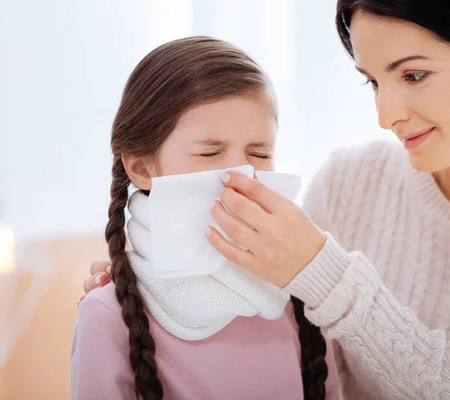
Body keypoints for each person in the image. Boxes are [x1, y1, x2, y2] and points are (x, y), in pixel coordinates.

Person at [84, 0, 450, 398]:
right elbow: (254, 294)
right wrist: (135, 289)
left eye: (413, 75)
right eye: (373, 81)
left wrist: (325, 272)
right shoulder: (352, 181)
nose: (385, 115)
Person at [72, 37, 340, 400]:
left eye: (259, 153)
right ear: (140, 167)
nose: (240, 175)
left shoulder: (300, 298)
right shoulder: (107, 316)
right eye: (210, 152)